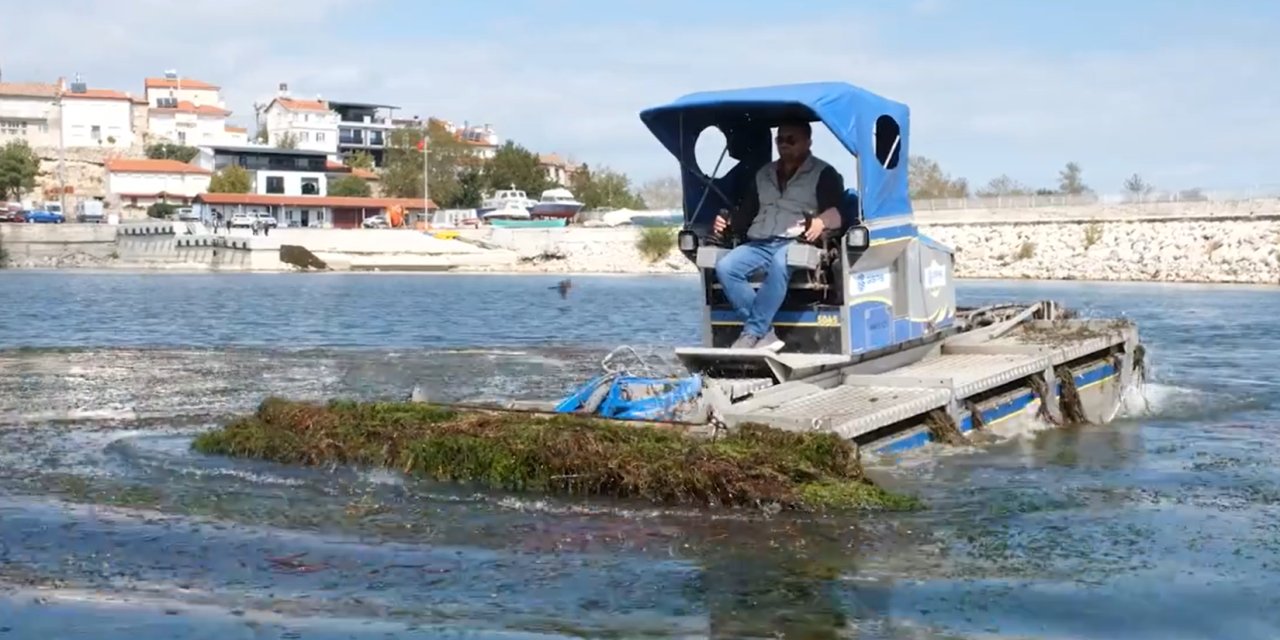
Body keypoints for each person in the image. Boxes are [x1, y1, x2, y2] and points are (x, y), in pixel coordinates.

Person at [711, 120, 846, 351]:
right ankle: (764, 333)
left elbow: (837, 214)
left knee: (781, 261)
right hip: (760, 241)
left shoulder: (825, 173)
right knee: (725, 267)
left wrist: (822, 221)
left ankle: (752, 333)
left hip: (798, 241)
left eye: (791, 140)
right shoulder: (763, 174)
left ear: (807, 142)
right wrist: (726, 222)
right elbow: (745, 216)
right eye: (780, 139)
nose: (784, 144)